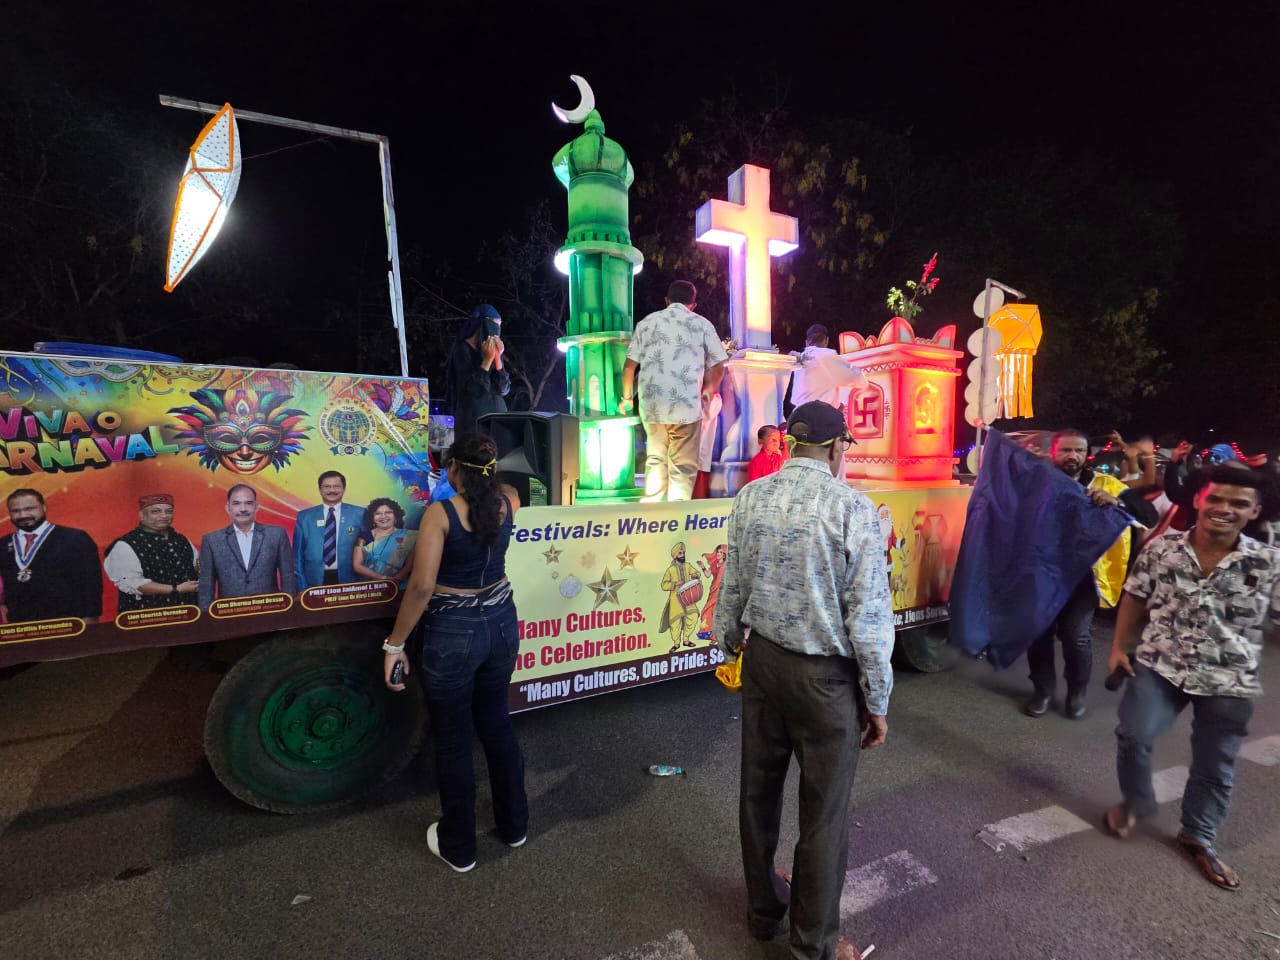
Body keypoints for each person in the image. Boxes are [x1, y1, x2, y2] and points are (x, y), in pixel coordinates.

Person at [713, 401, 893, 960]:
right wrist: (877, 699)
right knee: (824, 815)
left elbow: (732, 585)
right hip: (824, 683)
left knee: (757, 794)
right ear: (839, 448)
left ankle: (764, 913)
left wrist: (727, 644)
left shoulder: (751, 498)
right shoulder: (852, 508)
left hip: (764, 665)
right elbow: (868, 617)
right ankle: (812, 945)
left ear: (790, 443)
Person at [1103, 465, 1279, 891]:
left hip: (1229, 678)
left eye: (1238, 503)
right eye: (1215, 498)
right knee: (1133, 735)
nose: (1224, 509)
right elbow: (1136, 595)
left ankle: (1198, 835)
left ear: (1254, 511)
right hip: (1161, 663)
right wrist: (1119, 646)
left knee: (1215, 762)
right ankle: (1135, 803)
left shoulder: (1268, 560)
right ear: (1198, 499)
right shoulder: (1162, 549)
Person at [380, 432, 528, 873]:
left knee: (453, 738)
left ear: (453, 469)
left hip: (452, 633)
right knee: (497, 724)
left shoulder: (439, 515)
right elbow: (507, 489)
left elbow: (422, 587)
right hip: (502, 624)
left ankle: (460, 847)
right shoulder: (509, 501)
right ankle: (514, 826)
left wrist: (395, 644)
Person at [1024, 428, 1152, 720]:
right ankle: (1042, 691)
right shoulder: (1038, 481)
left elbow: (1148, 515)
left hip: (1086, 579)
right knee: (1039, 635)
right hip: (1042, 574)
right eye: (1066, 450)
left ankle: (1076, 693)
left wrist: (1115, 501)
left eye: (1079, 450)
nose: (1073, 456)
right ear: (1053, 452)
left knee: (1076, 636)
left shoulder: (1106, 483)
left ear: (1087, 454)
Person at [620, 280, 727, 502]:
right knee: (683, 466)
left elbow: (629, 366)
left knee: (656, 458)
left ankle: (653, 511)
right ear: (693, 305)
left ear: (667, 301)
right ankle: (677, 516)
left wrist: (627, 399)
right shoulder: (702, 325)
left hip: (653, 406)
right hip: (686, 406)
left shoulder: (647, 323)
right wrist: (709, 389)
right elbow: (718, 366)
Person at [0, 488, 102, 624]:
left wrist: (91, 617)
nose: (23, 514)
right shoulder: (2, 544)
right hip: (22, 628)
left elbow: (92, 583)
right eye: (16, 511)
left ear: (44, 507)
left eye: (30, 508)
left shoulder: (74, 538)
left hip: (69, 623)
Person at [198, 484, 295, 609]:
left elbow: (288, 576)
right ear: (228, 508)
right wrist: (207, 620)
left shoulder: (276, 534)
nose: (243, 508)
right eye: (236, 503)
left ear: (256, 506)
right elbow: (206, 586)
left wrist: (288, 609)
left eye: (248, 503)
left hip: (270, 611)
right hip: (228, 615)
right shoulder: (211, 541)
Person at [103, 493, 199, 611]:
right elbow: (132, 582)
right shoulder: (125, 544)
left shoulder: (182, 539)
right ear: (142, 515)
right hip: (145, 616)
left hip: (186, 612)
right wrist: (176, 589)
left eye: (168, 511)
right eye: (155, 511)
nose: (164, 516)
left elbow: (196, 568)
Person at [445, 303, 510, 435]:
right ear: (484, 324)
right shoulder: (462, 350)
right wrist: (487, 360)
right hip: (474, 423)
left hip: (497, 421)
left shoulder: (491, 352)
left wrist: (497, 357)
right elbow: (473, 390)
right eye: (495, 324)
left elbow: (503, 388)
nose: (497, 330)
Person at [294, 471, 364, 589]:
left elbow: (369, 551)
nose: (332, 490)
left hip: (350, 579)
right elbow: (297, 556)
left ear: (344, 488)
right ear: (320, 489)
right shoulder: (304, 517)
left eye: (336, 486)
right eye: (327, 486)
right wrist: (301, 587)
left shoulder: (360, 514)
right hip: (314, 580)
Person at [788, 324, 862, 412]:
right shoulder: (827, 355)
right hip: (821, 416)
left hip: (798, 416)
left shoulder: (800, 358)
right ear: (826, 340)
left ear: (807, 342)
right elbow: (856, 378)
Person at [352, 498, 417, 584]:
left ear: (396, 515)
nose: (383, 516)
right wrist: (383, 579)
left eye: (388, 512)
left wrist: (397, 579)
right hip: (368, 587)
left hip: (400, 585)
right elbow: (357, 566)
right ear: (372, 518)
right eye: (378, 513)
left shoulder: (409, 536)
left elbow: (410, 564)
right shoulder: (363, 537)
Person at [659, 541, 704, 653]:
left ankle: (686, 640)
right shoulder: (671, 570)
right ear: (675, 555)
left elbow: (697, 573)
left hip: (688, 598)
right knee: (675, 622)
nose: (683, 555)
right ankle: (676, 643)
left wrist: (696, 575)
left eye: (683, 553)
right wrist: (675, 584)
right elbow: (664, 585)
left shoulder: (687, 565)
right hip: (676, 600)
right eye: (680, 553)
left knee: (693, 616)